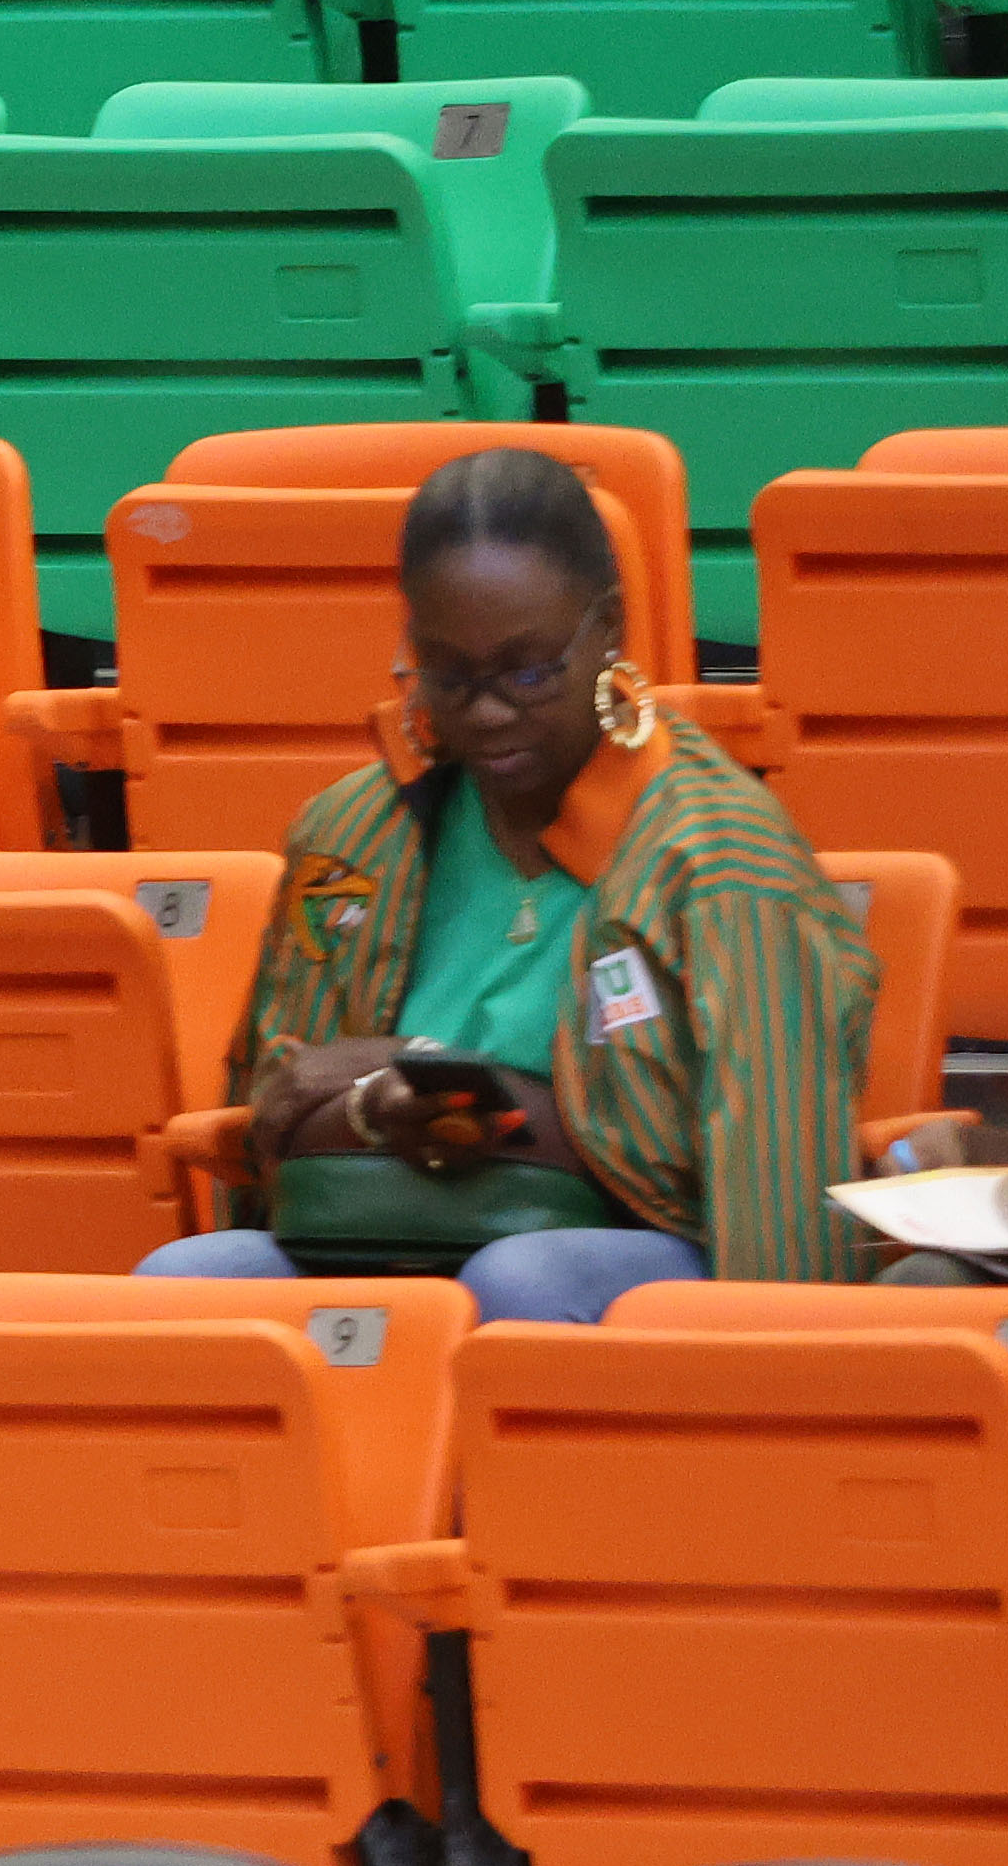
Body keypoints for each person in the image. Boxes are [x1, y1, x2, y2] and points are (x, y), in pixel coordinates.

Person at [143, 445, 876, 1319]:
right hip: (385, 1232)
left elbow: (776, 1216)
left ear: (608, 629)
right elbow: (275, 1113)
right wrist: (384, 1109)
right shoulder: (351, 836)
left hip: (642, 1256)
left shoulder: (726, 870)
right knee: (185, 1282)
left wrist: (434, 1089)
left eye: (528, 672)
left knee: (518, 1279)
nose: (487, 712)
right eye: (449, 675)